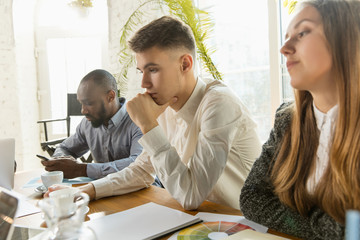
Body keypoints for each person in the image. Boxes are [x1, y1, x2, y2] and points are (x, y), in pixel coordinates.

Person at [46, 16, 261, 210]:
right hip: (202, 220)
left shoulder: (218, 103)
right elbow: (141, 171)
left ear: (185, 64)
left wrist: (148, 124)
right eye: (142, 71)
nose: (144, 83)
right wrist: (88, 190)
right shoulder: (164, 105)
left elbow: (190, 195)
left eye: (153, 70)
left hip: (245, 225)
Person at [240, 0, 360, 239]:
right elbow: (251, 197)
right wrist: (321, 224)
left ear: (345, 42)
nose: (284, 48)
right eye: (286, 36)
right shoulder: (287, 119)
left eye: (302, 33)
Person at [41, 69, 143, 180]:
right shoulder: (87, 123)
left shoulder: (139, 120)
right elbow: (65, 148)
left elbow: (139, 165)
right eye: (81, 103)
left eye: (89, 103)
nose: (83, 111)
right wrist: (60, 160)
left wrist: (80, 169)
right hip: (103, 191)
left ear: (110, 96)